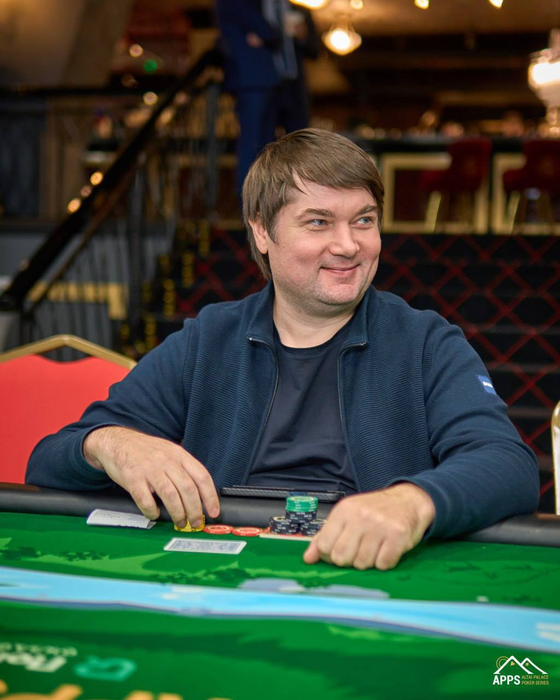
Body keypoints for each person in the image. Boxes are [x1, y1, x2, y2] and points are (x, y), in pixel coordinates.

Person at [26, 129, 540, 571]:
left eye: (364, 220)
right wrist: (112, 443)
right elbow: (49, 460)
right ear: (262, 231)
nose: (348, 244)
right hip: (217, 571)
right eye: (318, 222)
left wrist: (412, 503)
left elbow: (507, 465)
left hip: (367, 569)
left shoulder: (427, 342)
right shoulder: (207, 340)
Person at [215, 0, 318, 194]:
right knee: (255, 148)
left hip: (289, 87)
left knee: (293, 149)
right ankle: (251, 207)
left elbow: (313, 48)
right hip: (256, 82)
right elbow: (265, 31)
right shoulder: (243, 4)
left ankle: (292, 202)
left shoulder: (295, 7)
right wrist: (269, 32)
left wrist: (294, 35)